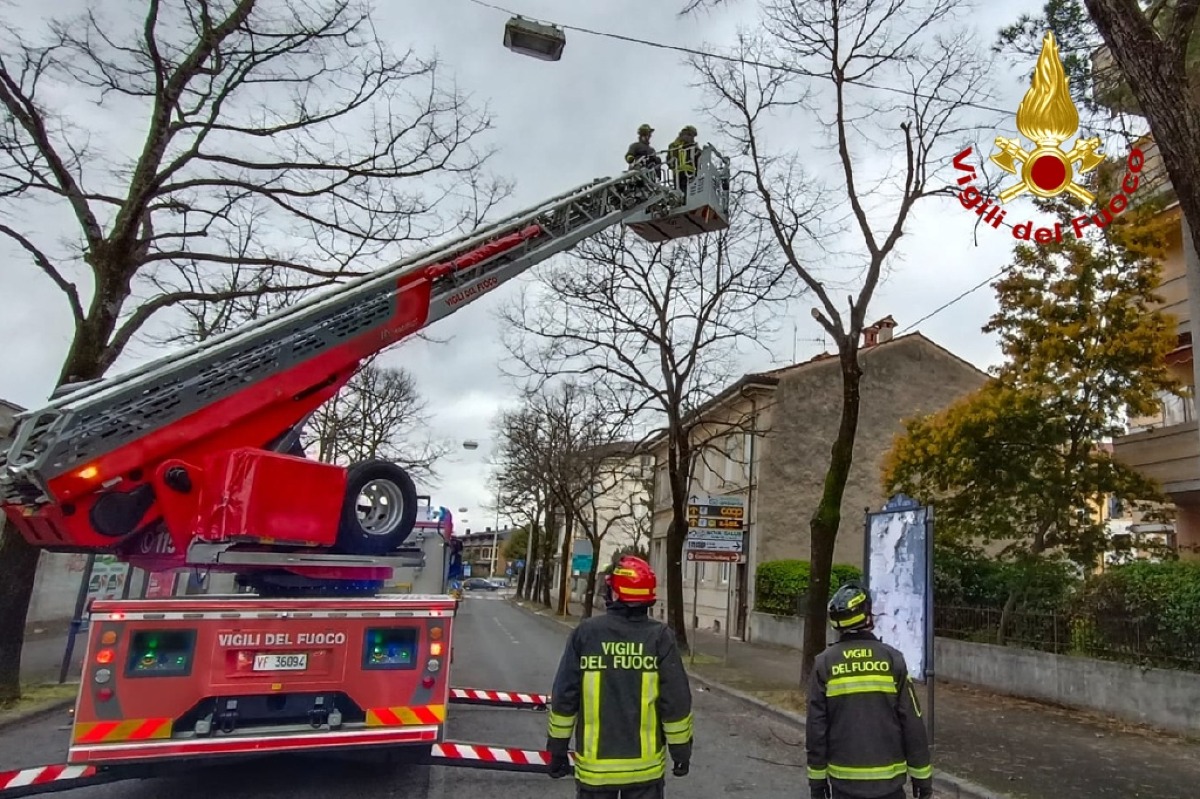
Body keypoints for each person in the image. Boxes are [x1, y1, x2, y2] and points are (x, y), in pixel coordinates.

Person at [546, 554, 693, 798]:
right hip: (644, 772)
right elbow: (676, 701)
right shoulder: (660, 637)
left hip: (595, 771)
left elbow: (565, 697)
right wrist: (681, 753)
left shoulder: (586, 633)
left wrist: (557, 750)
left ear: (614, 593)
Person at [806, 581, 933, 799]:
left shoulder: (824, 663)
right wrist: (922, 776)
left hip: (844, 784)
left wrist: (817, 781)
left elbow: (816, 727)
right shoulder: (892, 659)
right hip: (889, 785)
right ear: (868, 617)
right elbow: (912, 721)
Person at [667, 126, 698, 193]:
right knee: (684, 192)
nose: (692, 138)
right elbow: (669, 159)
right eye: (691, 135)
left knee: (684, 192)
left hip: (685, 173)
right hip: (684, 173)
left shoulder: (673, 145)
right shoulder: (690, 146)